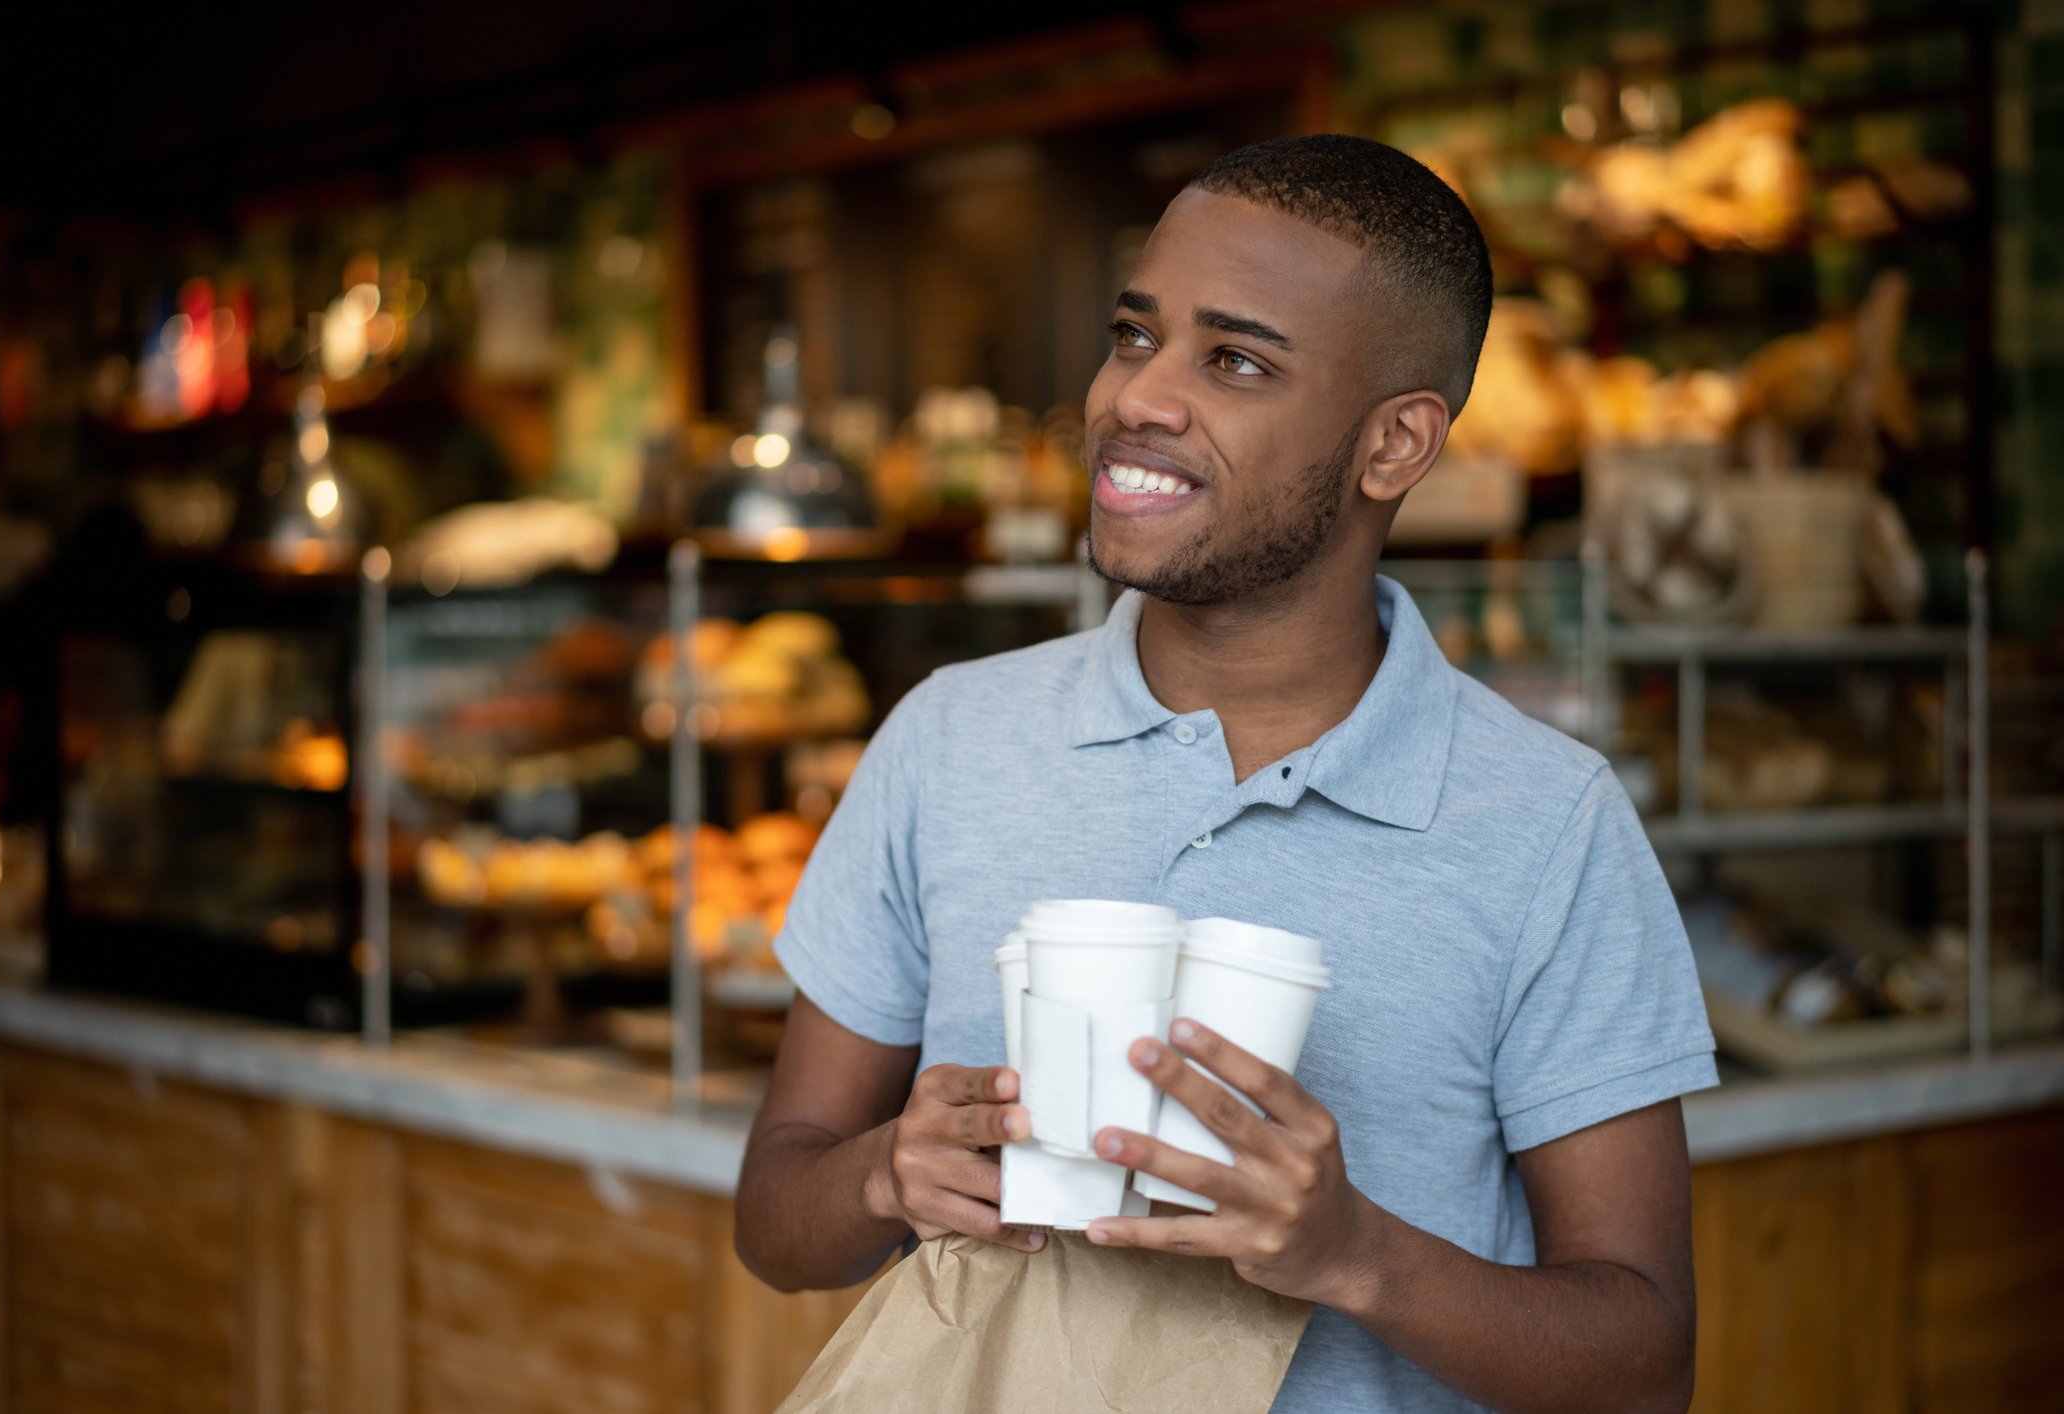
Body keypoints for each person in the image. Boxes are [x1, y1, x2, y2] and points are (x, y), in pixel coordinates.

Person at [735, 135, 1715, 1414]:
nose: (1136, 396)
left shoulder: (1546, 823)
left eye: (1235, 360)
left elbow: (1644, 1365)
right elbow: (773, 1218)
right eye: (1134, 335)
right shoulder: (946, 740)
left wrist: (1354, 1253)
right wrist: (884, 1172)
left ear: (1393, 444)